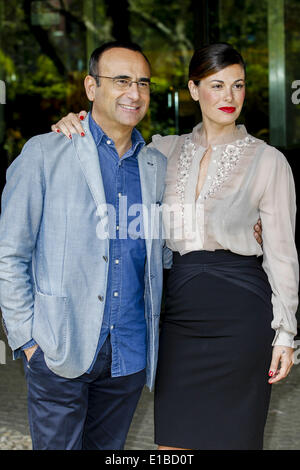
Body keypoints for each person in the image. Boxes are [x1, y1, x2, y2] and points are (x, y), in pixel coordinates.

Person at [50, 43, 298, 450]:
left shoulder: (269, 161)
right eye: (217, 85)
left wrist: (285, 332)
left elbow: (283, 253)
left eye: (238, 86)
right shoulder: (160, 152)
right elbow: (110, 149)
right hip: (177, 316)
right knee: (172, 446)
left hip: (243, 315)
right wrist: (74, 123)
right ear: (194, 89)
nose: (229, 97)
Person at [0, 41, 168, 450]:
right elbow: (10, 252)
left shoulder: (157, 164)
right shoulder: (45, 152)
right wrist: (27, 339)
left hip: (128, 352)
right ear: (91, 87)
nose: (134, 92)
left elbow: (164, 253)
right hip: (59, 346)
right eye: (122, 80)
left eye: (143, 83)